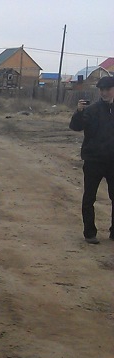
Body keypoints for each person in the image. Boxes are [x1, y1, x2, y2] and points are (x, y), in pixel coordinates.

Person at [69, 75, 114, 244]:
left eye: (107, 89)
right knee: (89, 198)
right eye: (101, 90)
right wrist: (79, 112)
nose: (104, 93)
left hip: (113, 162)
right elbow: (75, 127)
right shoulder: (92, 110)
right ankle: (89, 233)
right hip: (94, 161)